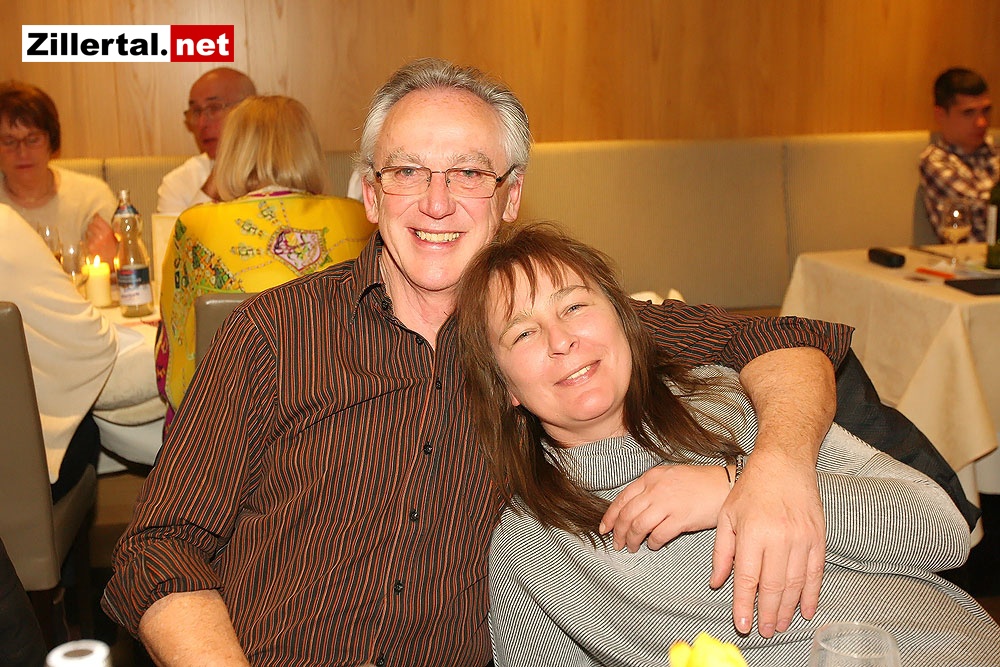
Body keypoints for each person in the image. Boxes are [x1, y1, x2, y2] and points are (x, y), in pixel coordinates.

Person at [103, 58, 855, 666]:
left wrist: (774, 468)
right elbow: (161, 547)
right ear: (370, 193)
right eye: (407, 171)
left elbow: (784, 341)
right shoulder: (276, 333)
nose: (437, 203)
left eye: (468, 173)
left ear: (510, 196)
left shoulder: (562, 336)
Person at [455, 220, 1000, 667]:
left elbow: (945, 533)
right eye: (522, 333)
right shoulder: (526, 554)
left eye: (574, 307)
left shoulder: (729, 398)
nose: (561, 340)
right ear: (506, 389)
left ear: (625, 321)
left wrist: (739, 487)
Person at [155, 95, 372, 426]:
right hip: (341, 423)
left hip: (231, 427)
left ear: (231, 153)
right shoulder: (360, 219)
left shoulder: (195, 225)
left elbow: (174, 358)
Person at [0, 81, 116, 261]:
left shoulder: (91, 199)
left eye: (33, 139)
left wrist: (113, 260)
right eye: (9, 142)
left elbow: (123, 268)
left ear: (51, 141)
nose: (22, 152)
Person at [155, 68, 257, 215]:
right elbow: (178, 231)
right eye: (196, 111)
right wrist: (219, 174)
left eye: (214, 108)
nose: (201, 123)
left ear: (249, 110)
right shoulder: (179, 183)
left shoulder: (285, 171)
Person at [919, 67, 997, 241]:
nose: (982, 122)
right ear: (940, 115)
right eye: (968, 113)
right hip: (970, 255)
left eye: (986, 111)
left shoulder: (995, 152)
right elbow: (983, 211)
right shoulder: (936, 161)